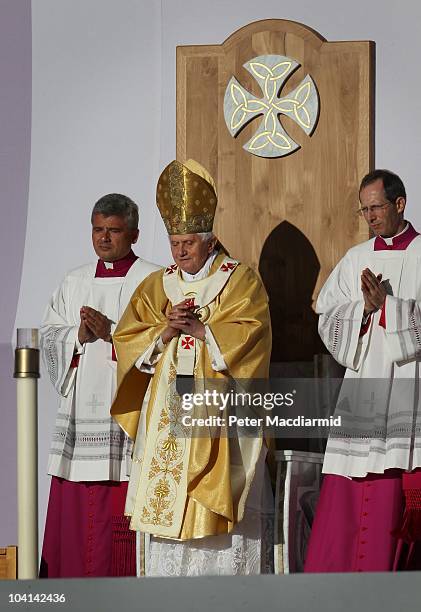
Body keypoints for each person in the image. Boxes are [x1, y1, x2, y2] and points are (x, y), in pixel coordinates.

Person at [111, 159, 274, 576]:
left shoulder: (240, 281)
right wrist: (164, 333)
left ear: (209, 238)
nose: (180, 252)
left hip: (219, 414)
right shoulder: (156, 285)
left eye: (188, 242)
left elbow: (251, 333)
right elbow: (129, 340)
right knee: (171, 506)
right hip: (168, 415)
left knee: (219, 520)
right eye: (174, 242)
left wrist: (204, 332)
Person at [305, 169, 421, 572]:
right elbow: (326, 316)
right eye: (364, 209)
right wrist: (363, 310)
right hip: (364, 390)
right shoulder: (356, 257)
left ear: (400, 204)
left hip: (410, 387)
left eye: (376, 207)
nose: (370, 216)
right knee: (353, 486)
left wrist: (391, 307)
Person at [39, 193, 160, 577]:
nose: (104, 238)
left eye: (113, 230)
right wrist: (77, 336)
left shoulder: (153, 280)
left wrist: (114, 334)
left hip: (126, 410)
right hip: (81, 411)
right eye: (97, 230)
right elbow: (48, 335)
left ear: (135, 234)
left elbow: (163, 341)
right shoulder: (73, 281)